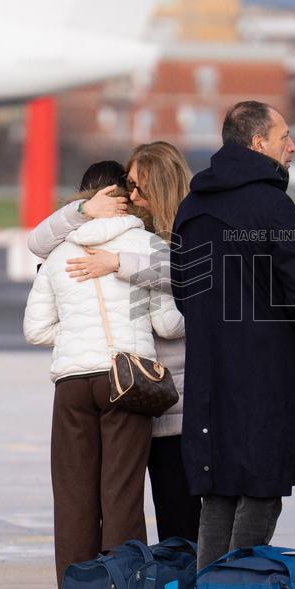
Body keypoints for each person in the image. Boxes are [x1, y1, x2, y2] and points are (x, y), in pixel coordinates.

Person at [171, 101, 295, 571]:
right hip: (266, 374)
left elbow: (183, 291)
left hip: (209, 372)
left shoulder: (192, 205)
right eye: (285, 137)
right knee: (261, 488)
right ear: (259, 144)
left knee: (216, 491)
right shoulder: (273, 204)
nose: (293, 145)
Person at [27, 145, 201, 544]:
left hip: (171, 396)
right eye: (128, 188)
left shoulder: (179, 237)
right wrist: (86, 213)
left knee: (161, 511)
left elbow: (190, 273)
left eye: (139, 188)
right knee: (124, 502)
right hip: (137, 387)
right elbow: (171, 322)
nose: (133, 197)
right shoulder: (134, 237)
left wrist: (116, 266)